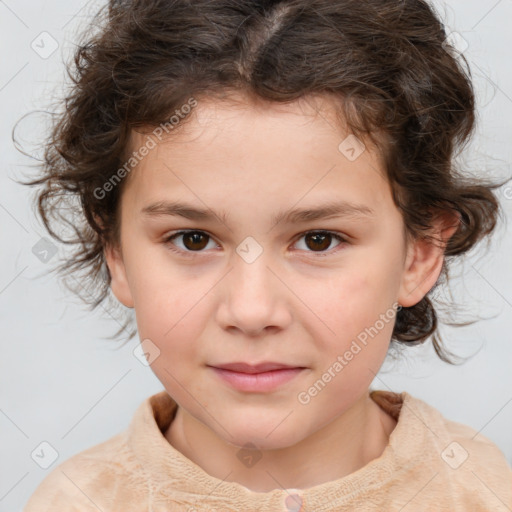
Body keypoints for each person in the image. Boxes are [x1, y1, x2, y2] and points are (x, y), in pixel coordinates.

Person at [22, 0, 512, 510]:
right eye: (193, 239)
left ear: (419, 254)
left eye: (318, 240)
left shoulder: (486, 494)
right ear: (116, 252)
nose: (252, 311)